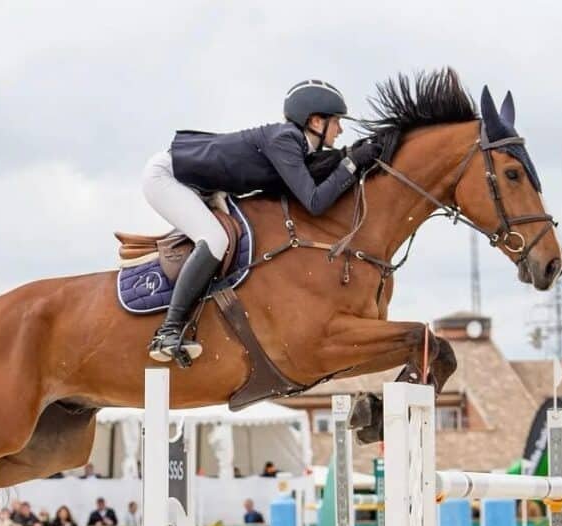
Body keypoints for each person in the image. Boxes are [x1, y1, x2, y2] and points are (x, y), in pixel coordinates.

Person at [142, 80, 382, 363]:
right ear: (316, 121)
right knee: (215, 239)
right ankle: (167, 332)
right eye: (337, 122)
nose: (340, 129)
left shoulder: (297, 145)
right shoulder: (285, 140)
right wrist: (351, 165)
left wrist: (352, 159)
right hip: (166, 178)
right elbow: (315, 202)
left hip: (201, 186)